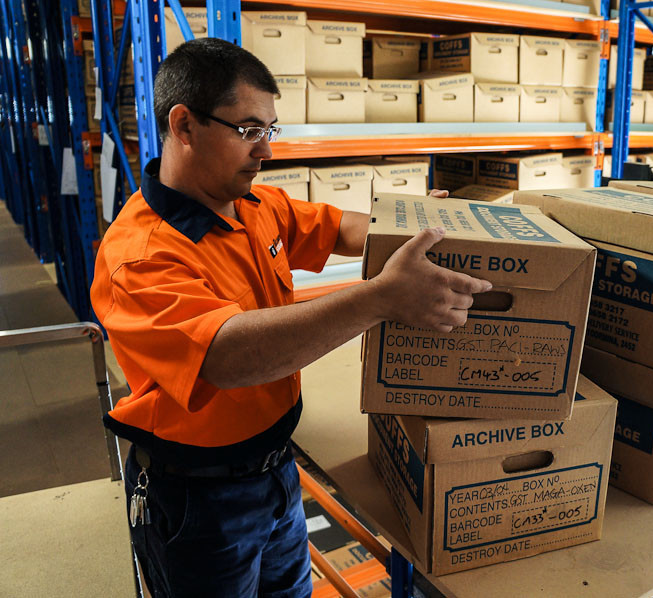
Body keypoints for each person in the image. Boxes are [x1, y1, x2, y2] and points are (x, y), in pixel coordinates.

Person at [90, 38, 491, 597]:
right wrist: (380, 297)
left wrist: (417, 226)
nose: (266, 151)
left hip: (278, 472)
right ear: (184, 126)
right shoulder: (139, 256)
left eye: (269, 132)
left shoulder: (255, 205)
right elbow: (228, 356)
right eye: (250, 131)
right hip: (199, 502)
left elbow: (338, 227)